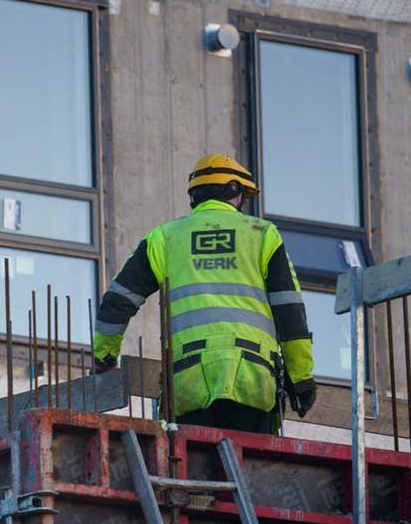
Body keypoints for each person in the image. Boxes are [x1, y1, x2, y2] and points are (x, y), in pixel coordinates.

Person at [92, 154, 317, 432]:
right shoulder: (262, 234)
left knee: (191, 465)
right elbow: (289, 310)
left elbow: (117, 303)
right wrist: (300, 376)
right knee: (247, 468)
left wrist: (104, 358)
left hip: (188, 386)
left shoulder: (165, 237)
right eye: (242, 195)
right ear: (233, 190)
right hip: (253, 381)